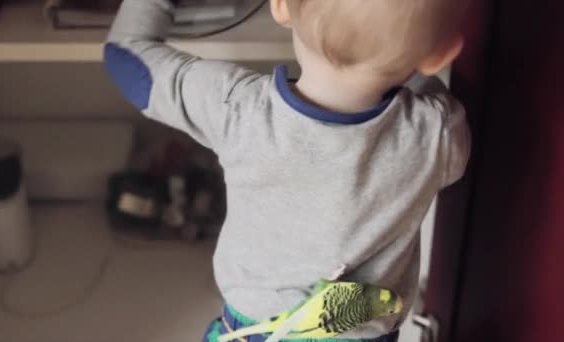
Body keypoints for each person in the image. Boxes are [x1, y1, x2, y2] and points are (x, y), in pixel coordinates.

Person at [104, 0, 471, 341]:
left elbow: (127, 58)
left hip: (254, 331)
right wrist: (405, 59)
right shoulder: (437, 131)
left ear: (280, 6)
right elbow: (447, 146)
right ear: (441, 54)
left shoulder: (237, 108)